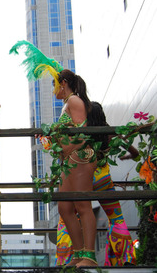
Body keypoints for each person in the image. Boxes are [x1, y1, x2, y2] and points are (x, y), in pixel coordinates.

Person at [56, 102, 137, 266]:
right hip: (103, 179)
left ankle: (67, 258)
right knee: (116, 217)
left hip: (82, 176)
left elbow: (65, 154)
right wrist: (127, 157)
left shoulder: (80, 133)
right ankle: (125, 259)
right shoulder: (108, 131)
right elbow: (135, 153)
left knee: (67, 216)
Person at [51, 69, 98, 267]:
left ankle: (89, 256)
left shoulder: (74, 101)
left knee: (83, 205)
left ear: (63, 83)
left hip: (80, 156)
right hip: (70, 160)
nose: (53, 89)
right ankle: (78, 254)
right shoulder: (67, 104)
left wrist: (67, 149)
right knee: (64, 207)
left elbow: (83, 131)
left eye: (54, 84)